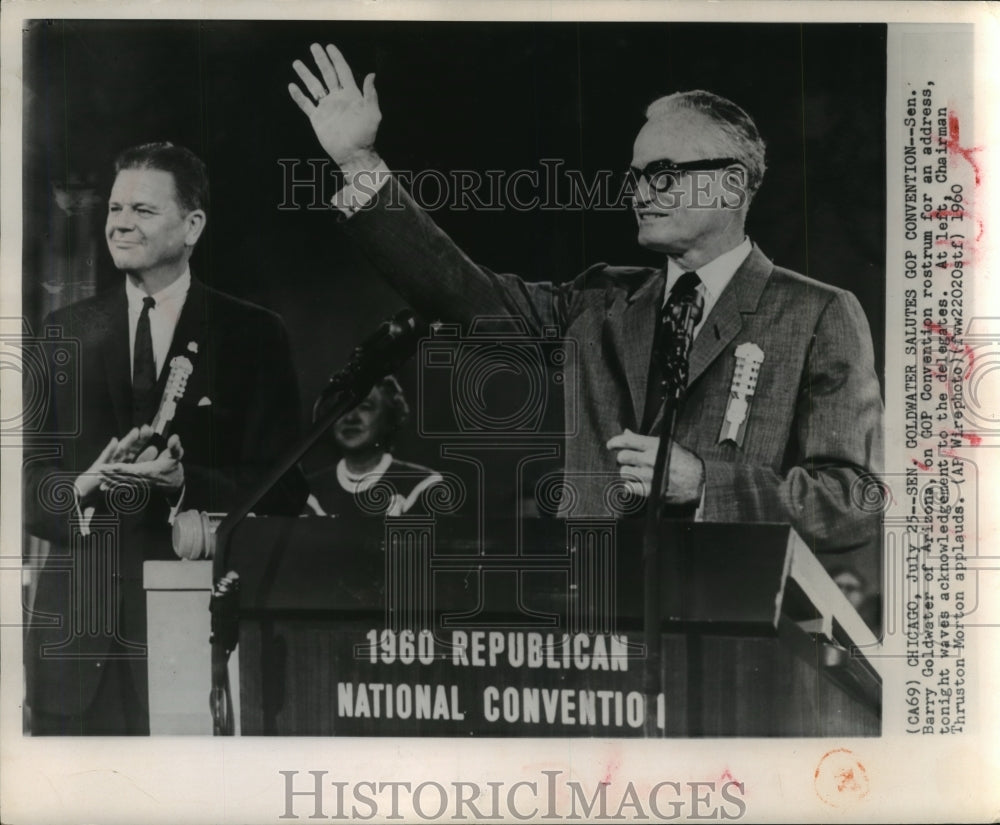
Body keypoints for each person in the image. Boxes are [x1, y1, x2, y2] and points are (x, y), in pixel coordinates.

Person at [286, 44, 883, 556]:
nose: (640, 193)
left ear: (732, 184)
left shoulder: (817, 315)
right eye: (635, 176)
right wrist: (358, 163)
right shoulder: (598, 300)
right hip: (600, 630)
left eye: (664, 173)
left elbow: (854, 502)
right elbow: (461, 294)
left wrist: (705, 483)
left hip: (735, 648)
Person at [23, 142, 307, 734]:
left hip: (194, 644)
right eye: (115, 208)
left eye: (144, 210)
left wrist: (186, 485)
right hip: (74, 654)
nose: (121, 222)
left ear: (193, 224)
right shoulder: (61, 333)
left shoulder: (252, 335)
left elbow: (283, 491)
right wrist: (81, 484)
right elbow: (23, 487)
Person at [306, 375, 444, 517]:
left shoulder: (423, 485)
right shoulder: (308, 493)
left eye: (365, 407)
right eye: (342, 407)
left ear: (389, 417)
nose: (350, 417)